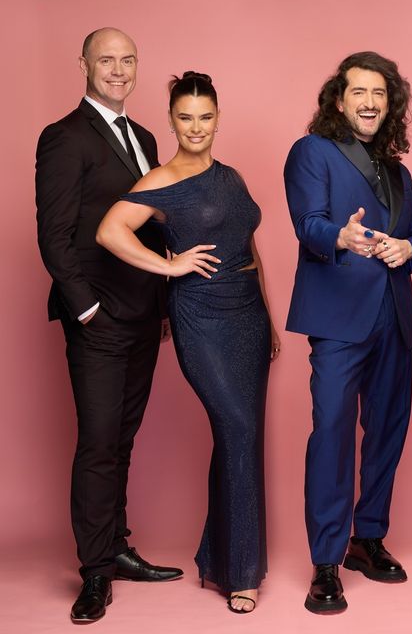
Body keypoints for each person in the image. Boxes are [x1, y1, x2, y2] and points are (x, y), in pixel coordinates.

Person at [97, 72, 278, 614]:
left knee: (240, 439)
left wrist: (267, 314)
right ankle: (243, 573)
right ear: (171, 119)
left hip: (248, 313)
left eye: (205, 116)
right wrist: (168, 266)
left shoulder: (233, 176)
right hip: (201, 317)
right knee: (238, 429)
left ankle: (221, 558)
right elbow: (110, 231)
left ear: (217, 118)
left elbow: (249, 245)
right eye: (184, 117)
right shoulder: (160, 180)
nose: (195, 127)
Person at [35, 27, 182, 624]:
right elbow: (54, 235)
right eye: (106, 61)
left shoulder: (145, 137)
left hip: (144, 314)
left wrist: (165, 304)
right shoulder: (63, 138)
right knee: (97, 444)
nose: (118, 70)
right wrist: (84, 307)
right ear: (84, 65)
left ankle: (115, 547)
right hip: (96, 317)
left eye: (127, 61)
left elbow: (151, 227)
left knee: (121, 440)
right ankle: (94, 572)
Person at [283, 51, 412, 615]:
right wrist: (340, 240)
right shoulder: (312, 152)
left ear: (388, 104)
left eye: (380, 94)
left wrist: (408, 248)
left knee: (388, 430)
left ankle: (366, 539)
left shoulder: (397, 169)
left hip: (394, 315)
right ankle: (325, 562)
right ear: (339, 99)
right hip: (339, 317)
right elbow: (309, 224)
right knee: (333, 433)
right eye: (359, 93)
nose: (370, 102)